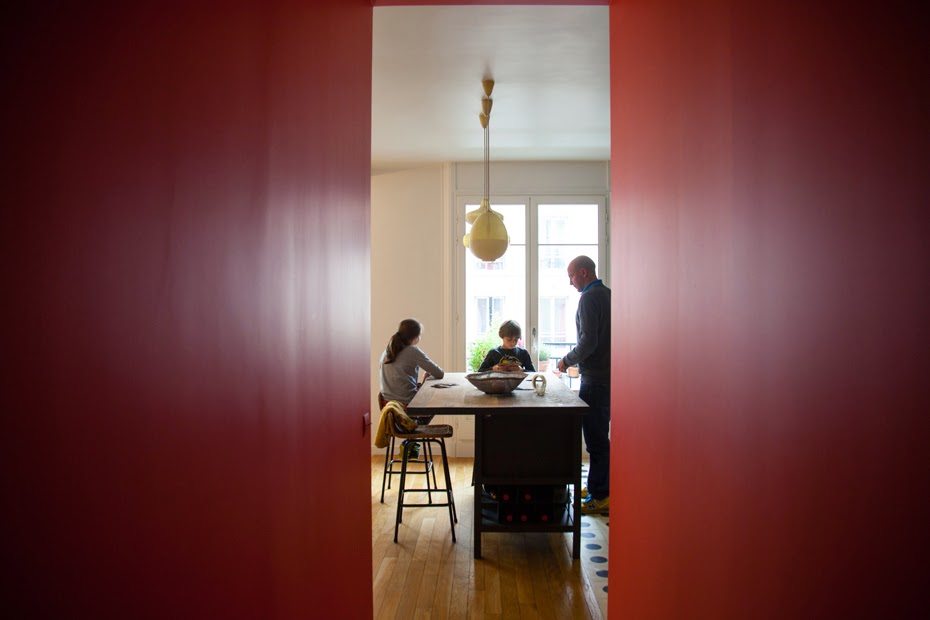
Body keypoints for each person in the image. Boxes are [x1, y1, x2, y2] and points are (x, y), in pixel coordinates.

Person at [557, 255, 611, 515]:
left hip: (596, 380)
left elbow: (588, 341)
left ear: (584, 272)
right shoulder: (608, 294)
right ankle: (595, 487)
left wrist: (566, 360)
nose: (570, 282)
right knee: (599, 437)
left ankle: (600, 497)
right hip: (609, 377)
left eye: (571, 276)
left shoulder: (589, 298)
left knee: (596, 440)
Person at [379, 318, 444, 425]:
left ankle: (411, 437)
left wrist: (423, 382)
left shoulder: (387, 351)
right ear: (416, 337)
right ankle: (417, 425)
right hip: (406, 407)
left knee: (423, 390)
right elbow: (439, 373)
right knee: (436, 399)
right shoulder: (412, 351)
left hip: (388, 406)